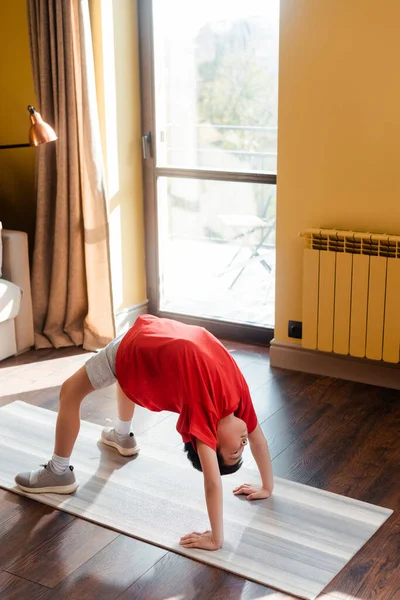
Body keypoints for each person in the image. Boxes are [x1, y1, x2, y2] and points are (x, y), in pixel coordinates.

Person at [15, 315, 274, 551]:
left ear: (209, 440)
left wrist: (216, 539)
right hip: (144, 343)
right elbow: (258, 440)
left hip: (137, 348)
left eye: (234, 451)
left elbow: (212, 481)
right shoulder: (239, 402)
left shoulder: (203, 417)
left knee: (71, 390)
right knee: (105, 382)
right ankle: (114, 439)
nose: (243, 443)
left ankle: (60, 471)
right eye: (242, 449)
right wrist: (266, 486)